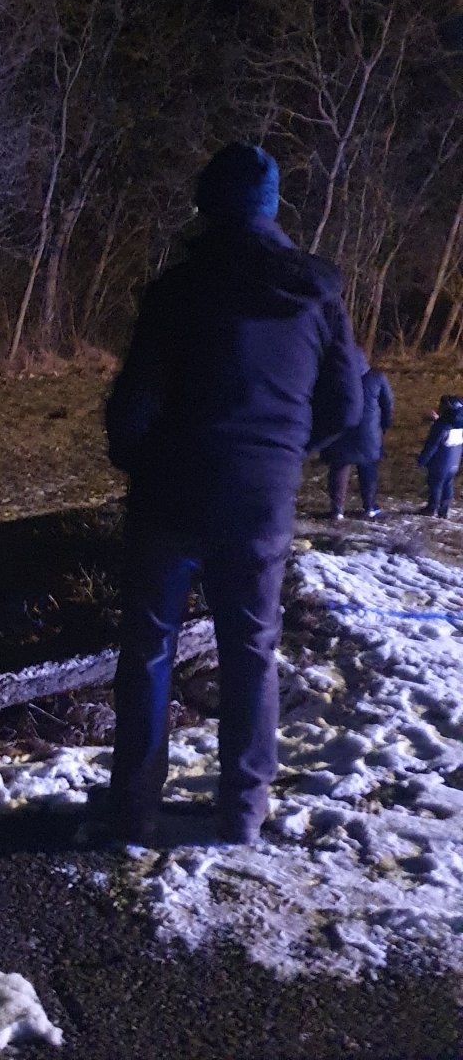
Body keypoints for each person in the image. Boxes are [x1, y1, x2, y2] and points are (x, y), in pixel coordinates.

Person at [103, 142, 363, 845]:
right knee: (251, 650)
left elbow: (132, 409)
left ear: (208, 204)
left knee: (150, 649)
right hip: (261, 499)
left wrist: (139, 461)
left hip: (170, 494)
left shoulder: (177, 290)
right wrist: (283, 453)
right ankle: (244, 810)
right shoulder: (315, 295)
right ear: (272, 208)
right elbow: (346, 405)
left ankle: (134, 808)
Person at [320, 349, 393, 521]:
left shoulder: (333, 378)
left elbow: (322, 405)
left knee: (339, 470)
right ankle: (369, 507)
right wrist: (383, 426)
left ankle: (337, 510)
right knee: (368, 469)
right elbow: (388, 405)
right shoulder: (377, 377)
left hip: (340, 431)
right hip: (368, 433)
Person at [417, 395, 463, 520]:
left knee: (435, 485)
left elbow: (432, 446)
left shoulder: (441, 427)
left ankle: (432, 508)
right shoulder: (459, 426)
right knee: (448, 484)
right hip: (454, 463)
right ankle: (443, 510)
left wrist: (421, 460)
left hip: (439, 464)